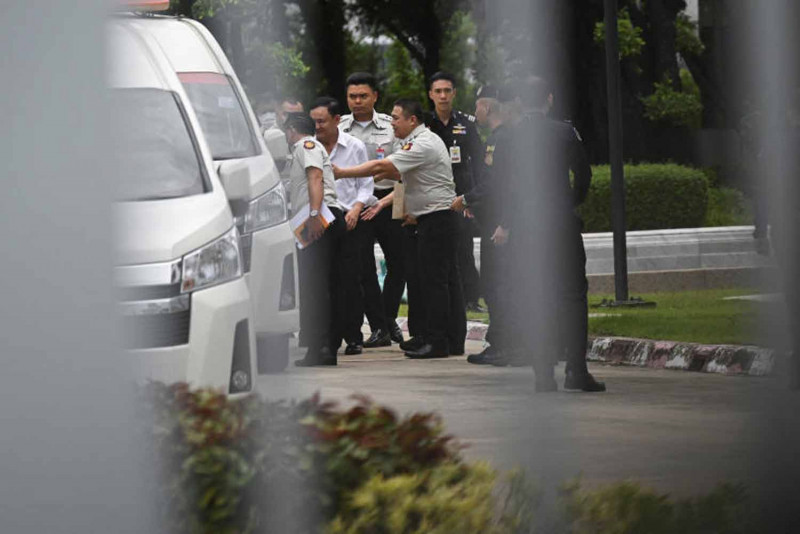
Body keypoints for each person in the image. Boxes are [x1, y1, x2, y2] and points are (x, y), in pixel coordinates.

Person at [334, 99, 466, 358]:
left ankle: (440, 341)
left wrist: (342, 173)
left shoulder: (423, 143)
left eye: (396, 118)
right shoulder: (414, 142)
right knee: (432, 280)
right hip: (427, 218)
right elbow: (397, 177)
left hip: (437, 219)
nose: (391, 122)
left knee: (437, 282)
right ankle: (434, 336)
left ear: (412, 121)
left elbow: (383, 167)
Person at [500, 77, 605, 392]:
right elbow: (584, 175)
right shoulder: (563, 131)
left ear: (519, 101)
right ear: (548, 99)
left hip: (524, 228)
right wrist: (571, 201)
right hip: (560, 222)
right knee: (573, 295)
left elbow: (501, 187)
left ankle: (543, 375)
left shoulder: (508, 137)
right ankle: (576, 370)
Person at [338, 72, 406, 347]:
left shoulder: (392, 127)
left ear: (375, 96)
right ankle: (379, 326)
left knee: (400, 264)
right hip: (358, 201)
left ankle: (387, 320)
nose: (357, 101)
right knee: (363, 266)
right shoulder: (339, 126)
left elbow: (405, 168)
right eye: (352, 96)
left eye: (363, 96)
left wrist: (397, 201)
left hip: (391, 197)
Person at [451, 84, 516, 365]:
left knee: (495, 284)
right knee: (495, 283)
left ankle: (503, 345)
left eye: (477, 105)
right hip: (495, 222)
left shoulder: (501, 139)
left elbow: (500, 185)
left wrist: (467, 199)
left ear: (487, 108)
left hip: (500, 226)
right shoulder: (499, 137)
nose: (475, 111)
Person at [310, 96, 373, 356]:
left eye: (322, 121)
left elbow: (366, 183)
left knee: (351, 280)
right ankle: (327, 338)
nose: (318, 127)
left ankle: (354, 336)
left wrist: (357, 209)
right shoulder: (309, 147)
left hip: (350, 219)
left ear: (337, 120)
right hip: (321, 222)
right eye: (314, 122)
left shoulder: (354, 146)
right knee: (324, 282)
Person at [283, 112, 345, 367]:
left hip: (320, 218)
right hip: (326, 217)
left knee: (315, 288)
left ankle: (320, 348)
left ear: (291, 130)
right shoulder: (313, 147)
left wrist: (313, 214)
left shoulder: (305, 145)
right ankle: (325, 348)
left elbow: (315, 177)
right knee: (327, 286)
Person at [426, 72, 485, 312]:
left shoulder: (466, 123)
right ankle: (443, 297)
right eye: (438, 91)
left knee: (464, 246)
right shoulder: (424, 123)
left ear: (454, 93)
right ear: (431, 94)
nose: (442, 96)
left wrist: (474, 197)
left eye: (447, 91)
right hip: (431, 190)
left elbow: (479, 161)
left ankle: (471, 298)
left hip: (460, 191)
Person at [264, 96, 304, 185]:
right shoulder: (267, 136)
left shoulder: (309, 136)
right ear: (278, 113)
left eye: (298, 115)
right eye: (287, 114)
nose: (293, 119)